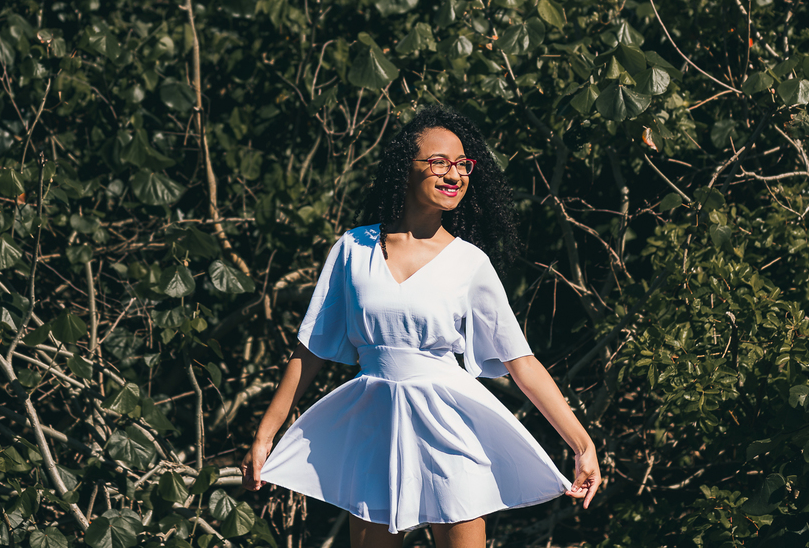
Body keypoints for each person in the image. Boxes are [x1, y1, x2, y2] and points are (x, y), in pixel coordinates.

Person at [241, 105, 600, 548]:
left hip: (450, 427)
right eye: (439, 162)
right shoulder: (353, 248)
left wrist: (582, 445)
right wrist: (264, 436)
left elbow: (520, 362)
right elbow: (310, 350)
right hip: (374, 427)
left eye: (463, 164)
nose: (455, 174)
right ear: (403, 169)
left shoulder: (470, 262)